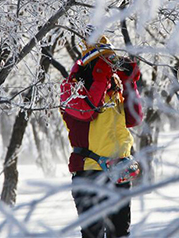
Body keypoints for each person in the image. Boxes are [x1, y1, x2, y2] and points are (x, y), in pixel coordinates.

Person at [60, 34, 143, 238]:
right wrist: (99, 77)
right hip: (89, 173)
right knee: (93, 234)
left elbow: (135, 118)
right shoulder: (71, 90)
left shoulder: (113, 90)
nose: (108, 67)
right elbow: (87, 110)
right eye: (101, 61)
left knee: (120, 233)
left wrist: (129, 83)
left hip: (119, 170)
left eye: (109, 61)